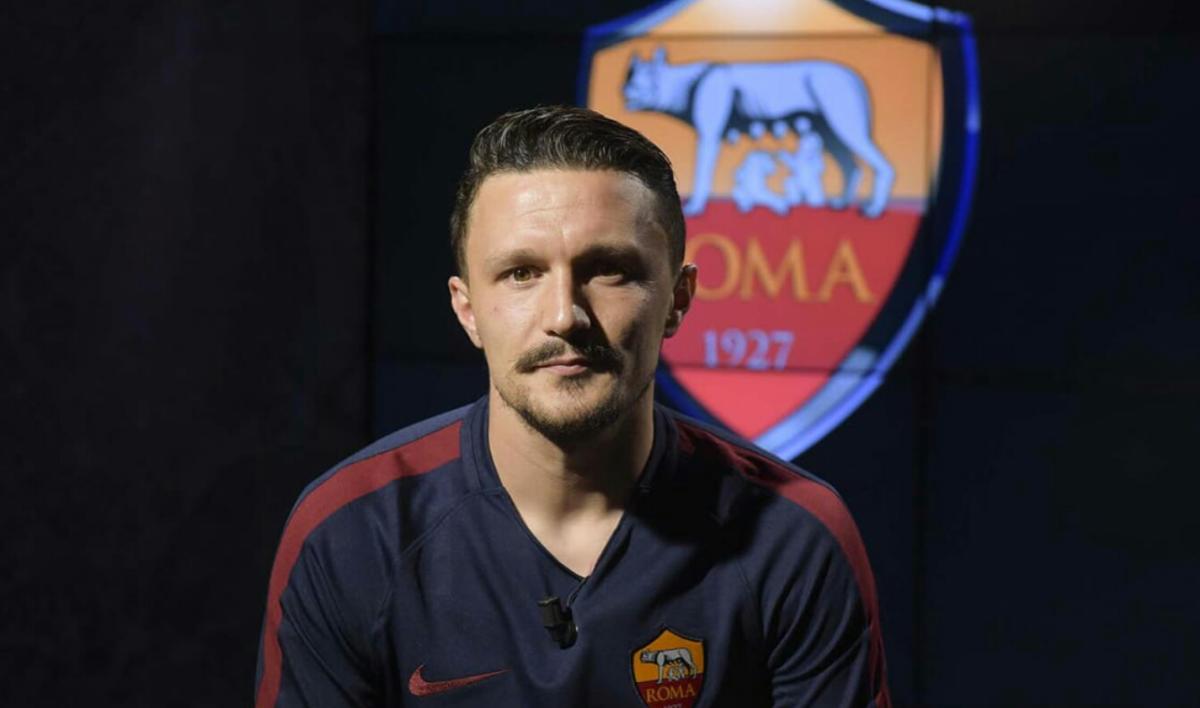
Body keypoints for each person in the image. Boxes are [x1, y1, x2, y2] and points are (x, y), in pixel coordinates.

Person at [255, 105, 890, 707]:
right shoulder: (352, 535)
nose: (565, 315)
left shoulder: (791, 538)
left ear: (678, 298)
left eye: (608, 269)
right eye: (521, 273)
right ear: (467, 309)